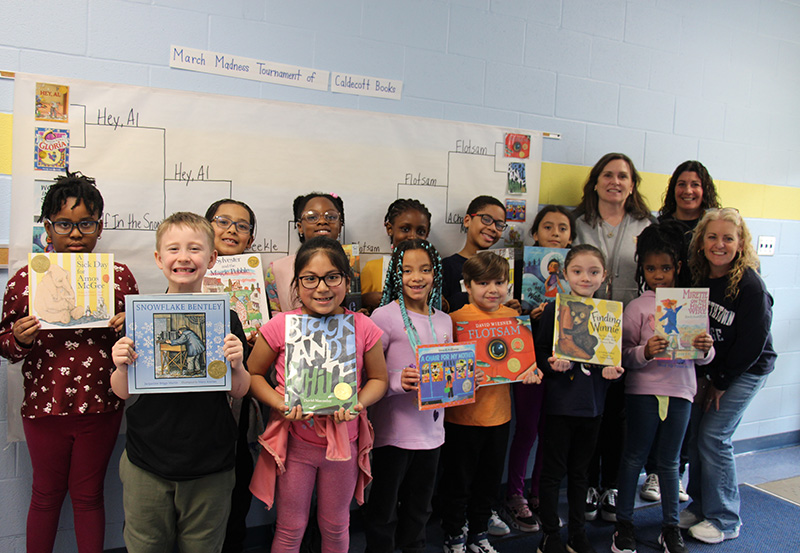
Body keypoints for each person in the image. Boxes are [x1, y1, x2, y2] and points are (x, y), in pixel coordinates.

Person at [0, 171, 138, 553]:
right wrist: (19, 338)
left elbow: (139, 345)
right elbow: (5, 344)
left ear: (99, 228)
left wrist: (129, 325)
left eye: (85, 224)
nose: (76, 234)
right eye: (64, 224)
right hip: (45, 407)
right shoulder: (26, 279)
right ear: (48, 228)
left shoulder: (119, 277)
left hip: (101, 404)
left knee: (89, 495)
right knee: (45, 495)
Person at [110, 212, 252, 553]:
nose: (184, 257)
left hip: (210, 463)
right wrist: (119, 365)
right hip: (148, 460)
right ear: (159, 259)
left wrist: (236, 364)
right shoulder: (141, 316)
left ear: (212, 258)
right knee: (145, 545)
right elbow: (123, 390)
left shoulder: (226, 318)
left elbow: (240, 389)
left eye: (194, 248)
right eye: (173, 249)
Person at [248, 236, 388, 553]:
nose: (322, 288)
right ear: (297, 283)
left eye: (332, 277)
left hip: (343, 444)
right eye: (310, 279)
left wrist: (358, 403)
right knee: (290, 527)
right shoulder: (280, 325)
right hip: (295, 444)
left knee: (336, 526)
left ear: (346, 279)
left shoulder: (363, 327)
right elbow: (253, 374)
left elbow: (379, 379)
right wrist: (279, 403)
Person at [611, 222, 715, 553]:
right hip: (642, 392)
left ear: (678, 268)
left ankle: (670, 527)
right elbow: (622, 355)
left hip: (681, 392)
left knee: (670, 463)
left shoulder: (690, 306)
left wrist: (705, 347)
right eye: (652, 268)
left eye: (666, 268)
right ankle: (623, 525)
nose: (659, 275)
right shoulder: (638, 307)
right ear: (642, 269)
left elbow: (704, 358)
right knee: (633, 459)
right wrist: (644, 352)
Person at [678, 208, 776, 544]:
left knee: (714, 437)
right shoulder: (699, 277)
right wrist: (706, 375)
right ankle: (701, 507)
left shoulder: (750, 286)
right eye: (712, 237)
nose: (719, 244)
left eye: (728, 238)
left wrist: (719, 382)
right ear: (702, 241)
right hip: (713, 367)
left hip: (745, 369)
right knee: (696, 436)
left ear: (740, 243)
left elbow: (753, 344)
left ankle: (726, 519)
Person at [439, 252, 542, 553]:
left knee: (488, 480)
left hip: (499, 418)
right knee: (458, 480)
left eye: (499, 282)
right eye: (482, 282)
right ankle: (454, 533)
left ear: (509, 285)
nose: (492, 289)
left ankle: (479, 531)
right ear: (466, 286)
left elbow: (523, 363)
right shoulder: (454, 321)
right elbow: (443, 371)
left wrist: (531, 372)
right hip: (461, 419)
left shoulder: (513, 320)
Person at [573, 153, 654, 522]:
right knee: (589, 412)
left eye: (623, 176)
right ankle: (588, 483)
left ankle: (613, 486)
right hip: (582, 330)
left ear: (632, 184)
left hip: (628, 331)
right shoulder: (577, 223)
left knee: (618, 414)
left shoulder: (647, 225)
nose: (615, 182)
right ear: (596, 181)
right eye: (608, 174)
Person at [640, 161, 721, 502]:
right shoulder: (660, 225)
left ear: (705, 189)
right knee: (654, 402)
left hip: (695, 318)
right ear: (673, 188)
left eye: (695, 184)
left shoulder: (712, 227)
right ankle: (654, 475)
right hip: (660, 311)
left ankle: (676, 472)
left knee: (684, 403)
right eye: (682, 183)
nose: (688, 190)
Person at [535, 245, 625, 553]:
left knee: (580, 475)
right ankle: (549, 534)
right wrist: (551, 363)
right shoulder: (553, 310)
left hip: (593, 407)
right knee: (552, 473)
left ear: (604, 276)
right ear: (565, 274)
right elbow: (539, 353)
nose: (585, 278)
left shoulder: (609, 314)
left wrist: (615, 370)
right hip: (560, 405)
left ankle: (577, 533)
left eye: (593, 272)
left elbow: (612, 358)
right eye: (577, 271)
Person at [363, 238, 451, 553]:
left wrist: (466, 379)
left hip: (433, 433)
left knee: (420, 507)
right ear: (395, 275)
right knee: (384, 509)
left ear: (435, 273)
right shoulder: (383, 317)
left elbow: (447, 376)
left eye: (425, 270)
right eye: (407, 270)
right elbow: (367, 377)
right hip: (394, 433)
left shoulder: (444, 320)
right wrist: (400, 380)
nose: (417, 277)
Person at [504, 205, 575, 533]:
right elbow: (509, 313)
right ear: (535, 234)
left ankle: (539, 493)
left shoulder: (578, 275)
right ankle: (515, 492)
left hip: (561, 362)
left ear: (571, 236)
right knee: (527, 428)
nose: (556, 233)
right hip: (529, 359)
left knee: (551, 430)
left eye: (563, 228)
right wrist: (525, 314)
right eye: (549, 227)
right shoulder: (522, 270)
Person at [204, 198, 263, 553]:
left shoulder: (262, 279)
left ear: (251, 239)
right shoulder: (186, 269)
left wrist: (261, 338)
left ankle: (234, 542)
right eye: (222, 221)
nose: (231, 230)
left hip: (239, 398)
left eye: (241, 226)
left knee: (238, 472)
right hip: (199, 402)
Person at [265, 193, 345, 314]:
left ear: (340, 226)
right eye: (312, 217)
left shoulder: (351, 265)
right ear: (300, 227)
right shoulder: (277, 270)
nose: (322, 221)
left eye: (331, 217)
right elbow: (275, 314)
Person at [361, 198, 432, 313]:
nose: (413, 236)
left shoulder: (431, 269)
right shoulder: (373, 268)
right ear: (390, 229)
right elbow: (357, 306)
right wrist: (365, 299)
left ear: (427, 234)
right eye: (405, 229)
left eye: (421, 232)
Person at [441, 196, 508, 313]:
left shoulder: (502, 266)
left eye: (499, 225)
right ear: (467, 221)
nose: (493, 228)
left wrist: (511, 308)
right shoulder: (446, 267)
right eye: (486, 219)